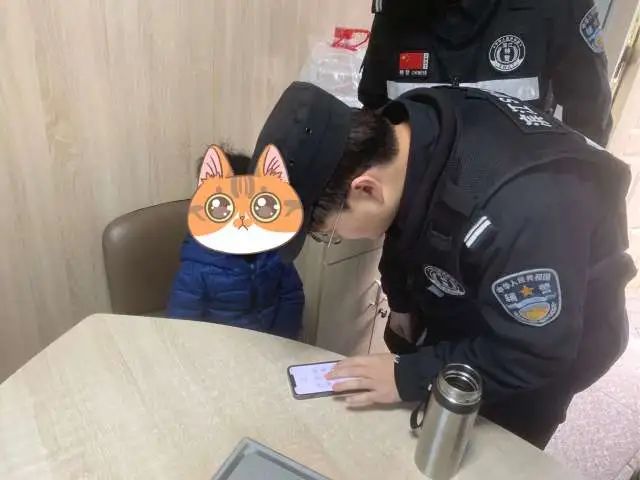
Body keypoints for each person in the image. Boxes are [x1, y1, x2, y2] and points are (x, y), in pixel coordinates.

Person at [250, 81, 636, 448]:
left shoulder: (523, 210)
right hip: (472, 290)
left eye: (327, 233)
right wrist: (401, 300)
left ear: (365, 188)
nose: (337, 238)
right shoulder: (408, 133)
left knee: (488, 450)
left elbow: (534, 353)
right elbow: (406, 219)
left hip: (549, 337)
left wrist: (409, 375)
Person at [359, 0, 613, 145]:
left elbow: (590, 115)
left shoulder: (557, 6)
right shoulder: (395, 9)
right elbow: (375, 106)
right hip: (415, 198)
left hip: (511, 198)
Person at [166, 149, 305, 340]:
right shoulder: (197, 266)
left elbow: (291, 295)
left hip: (269, 342)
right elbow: (184, 318)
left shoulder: (276, 252)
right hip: (220, 345)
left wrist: (283, 339)